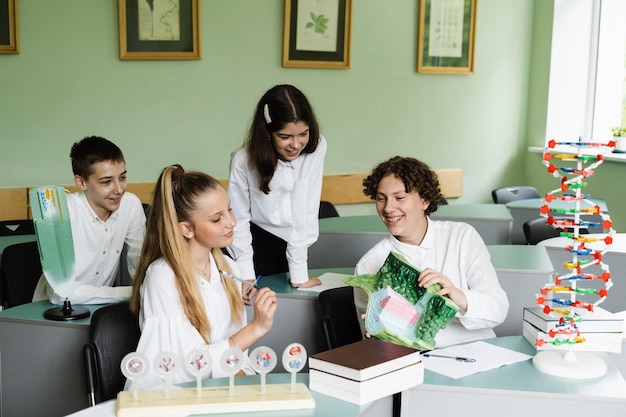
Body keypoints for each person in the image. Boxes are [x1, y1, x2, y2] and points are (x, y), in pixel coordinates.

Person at [127, 165, 277, 390]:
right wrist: (257, 327)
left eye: (230, 210)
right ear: (186, 229)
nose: (231, 222)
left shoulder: (229, 268)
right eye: (217, 219)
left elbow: (235, 357)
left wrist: (246, 382)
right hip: (172, 399)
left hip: (219, 392)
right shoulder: (162, 277)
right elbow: (190, 366)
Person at [354, 156, 509, 348]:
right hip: (416, 362)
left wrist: (458, 296)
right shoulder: (369, 264)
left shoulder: (462, 236)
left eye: (400, 198)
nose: (388, 208)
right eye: (381, 198)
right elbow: (376, 339)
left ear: (425, 200)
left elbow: (498, 309)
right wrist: (380, 330)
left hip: (479, 351)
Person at [227, 84, 327, 288]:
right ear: (268, 132)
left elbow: (305, 210)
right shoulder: (243, 160)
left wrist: (299, 274)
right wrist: (245, 274)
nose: (296, 144)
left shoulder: (316, 148)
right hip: (254, 242)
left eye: (303, 134)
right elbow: (239, 218)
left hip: (296, 241)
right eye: (285, 137)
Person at [32, 136, 146, 305]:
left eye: (122, 177)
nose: (119, 189)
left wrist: (149, 290)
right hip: (50, 314)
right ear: (81, 182)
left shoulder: (131, 205)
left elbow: (140, 264)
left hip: (100, 310)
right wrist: (133, 292)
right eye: (106, 182)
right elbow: (61, 293)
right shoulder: (62, 213)